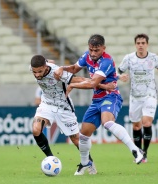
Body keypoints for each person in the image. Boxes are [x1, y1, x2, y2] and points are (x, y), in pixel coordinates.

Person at [54, 34, 144, 176]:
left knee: (107, 123)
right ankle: (85, 163)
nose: (93, 53)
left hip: (111, 97)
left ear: (103, 48)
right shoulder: (87, 56)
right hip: (97, 99)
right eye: (91, 50)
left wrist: (72, 84)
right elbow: (74, 68)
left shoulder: (106, 61)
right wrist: (61, 68)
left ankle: (136, 150)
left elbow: (92, 83)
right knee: (83, 135)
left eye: (96, 50)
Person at [31, 55, 115, 175]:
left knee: (76, 139)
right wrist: (50, 62)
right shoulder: (34, 67)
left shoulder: (58, 73)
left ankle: (88, 161)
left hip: (63, 106)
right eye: (35, 72)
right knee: (36, 130)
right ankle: (51, 158)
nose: (37, 75)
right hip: (47, 104)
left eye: (40, 71)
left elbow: (81, 80)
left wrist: (103, 86)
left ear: (45, 67)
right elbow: (50, 60)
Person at [118, 33, 158, 163]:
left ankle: (145, 153)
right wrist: (120, 76)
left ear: (147, 44)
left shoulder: (154, 58)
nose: (140, 45)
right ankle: (138, 153)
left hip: (150, 95)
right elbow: (118, 71)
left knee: (146, 122)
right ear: (135, 45)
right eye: (138, 43)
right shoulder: (129, 58)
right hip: (135, 97)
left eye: (143, 43)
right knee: (136, 126)